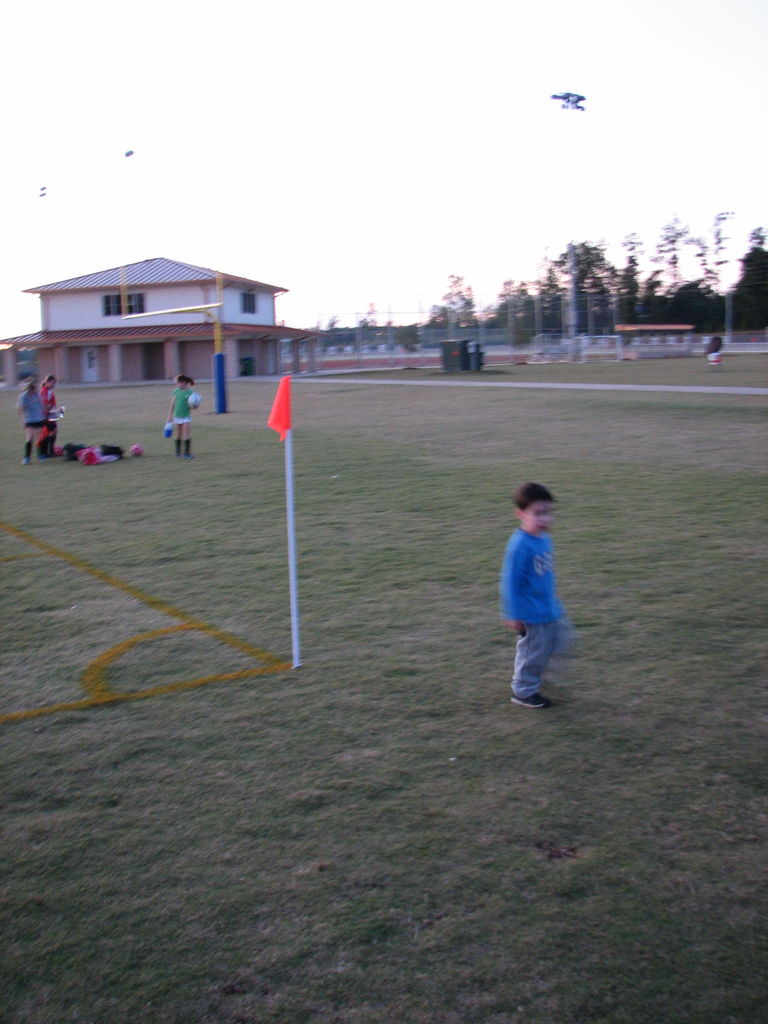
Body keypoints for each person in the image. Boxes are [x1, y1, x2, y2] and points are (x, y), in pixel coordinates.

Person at [499, 481, 573, 709]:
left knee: (560, 641)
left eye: (548, 513)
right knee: (532, 652)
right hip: (531, 612)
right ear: (521, 513)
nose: (545, 519)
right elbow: (509, 582)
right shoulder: (520, 545)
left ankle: (538, 676)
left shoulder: (543, 538)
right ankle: (523, 691)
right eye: (538, 513)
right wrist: (513, 614)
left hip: (548, 606)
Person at [17, 380, 47, 464]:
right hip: (29, 420)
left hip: (38, 418)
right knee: (29, 438)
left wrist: (45, 414)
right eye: (34, 390)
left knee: (38, 438)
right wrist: (22, 421)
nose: (35, 391)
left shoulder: (37, 394)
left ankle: (40, 455)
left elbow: (42, 406)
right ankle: (27, 457)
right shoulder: (23, 397)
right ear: (29, 390)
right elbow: (20, 410)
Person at [167, 374, 194, 459]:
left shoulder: (190, 392)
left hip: (186, 416)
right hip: (177, 416)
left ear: (183, 382)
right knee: (178, 435)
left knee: (186, 434)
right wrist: (169, 415)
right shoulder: (176, 391)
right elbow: (173, 404)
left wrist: (194, 405)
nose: (176, 385)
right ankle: (177, 452)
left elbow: (192, 405)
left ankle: (187, 453)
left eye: (177, 383)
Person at [38, 374, 59, 457]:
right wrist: (51, 407)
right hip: (45, 415)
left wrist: (56, 413)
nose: (54, 385)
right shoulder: (43, 391)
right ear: (47, 382)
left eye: (54, 383)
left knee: (54, 431)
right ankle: (46, 452)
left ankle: (50, 451)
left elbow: (52, 404)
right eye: (52, 383)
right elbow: (46, 406)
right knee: (48, 432)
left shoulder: (49, 391)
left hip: (51, 414)